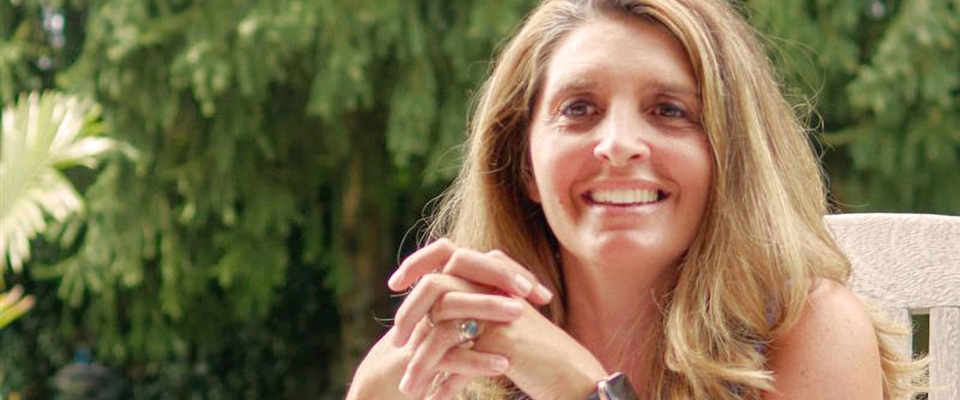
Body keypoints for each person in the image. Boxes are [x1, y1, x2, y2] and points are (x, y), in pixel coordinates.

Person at [346, 0, 924, 399]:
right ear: (524, 166)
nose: (618, 145)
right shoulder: (466, 349)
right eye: (579, 109)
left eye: (669, 110)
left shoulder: (812, 331)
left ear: (731, 161)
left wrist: (582, 389)